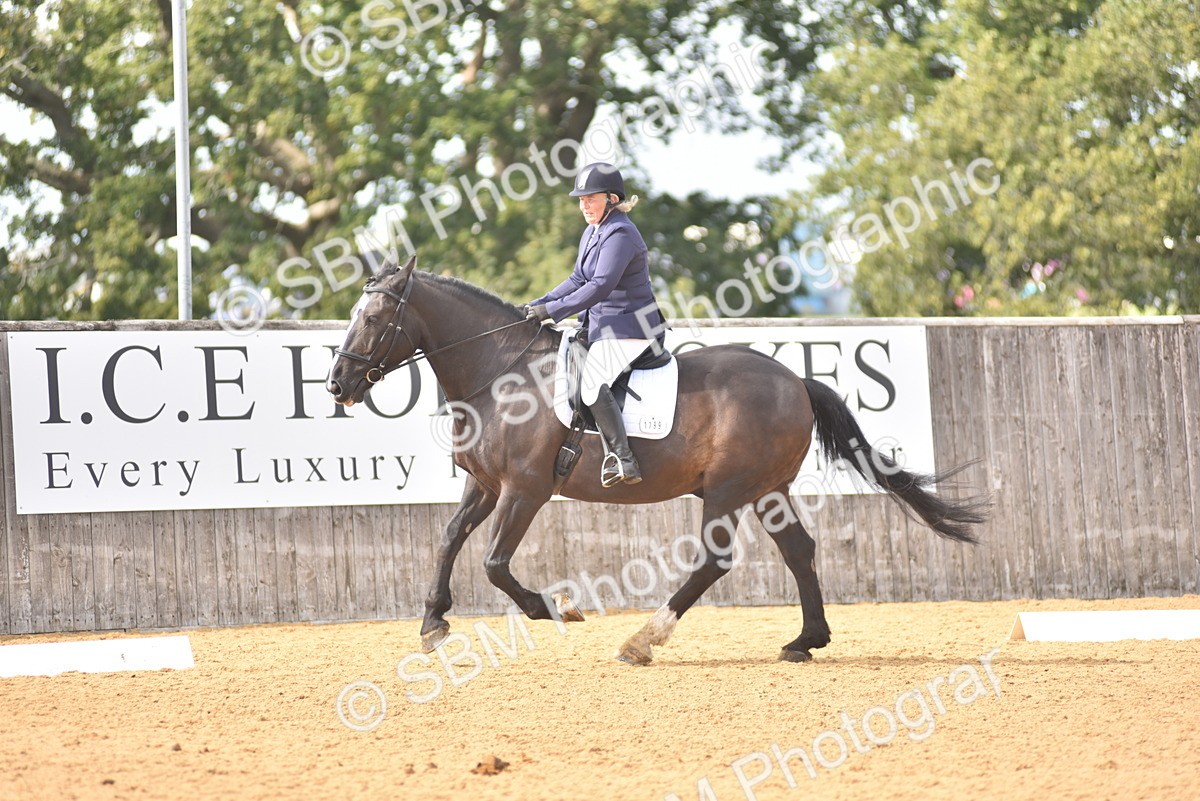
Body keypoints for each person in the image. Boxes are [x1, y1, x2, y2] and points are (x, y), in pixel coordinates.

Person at [524, 162, 667, 487]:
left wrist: (552, 311)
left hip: (630, 328)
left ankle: (623, 459)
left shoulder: (622, 233)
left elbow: (600, 285)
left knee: (591, 384)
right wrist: (538, 304)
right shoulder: (593, 231)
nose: (583, 205)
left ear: (612, 198)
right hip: (601, 326)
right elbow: (578, 278)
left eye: (590, 198)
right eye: (581, 199)